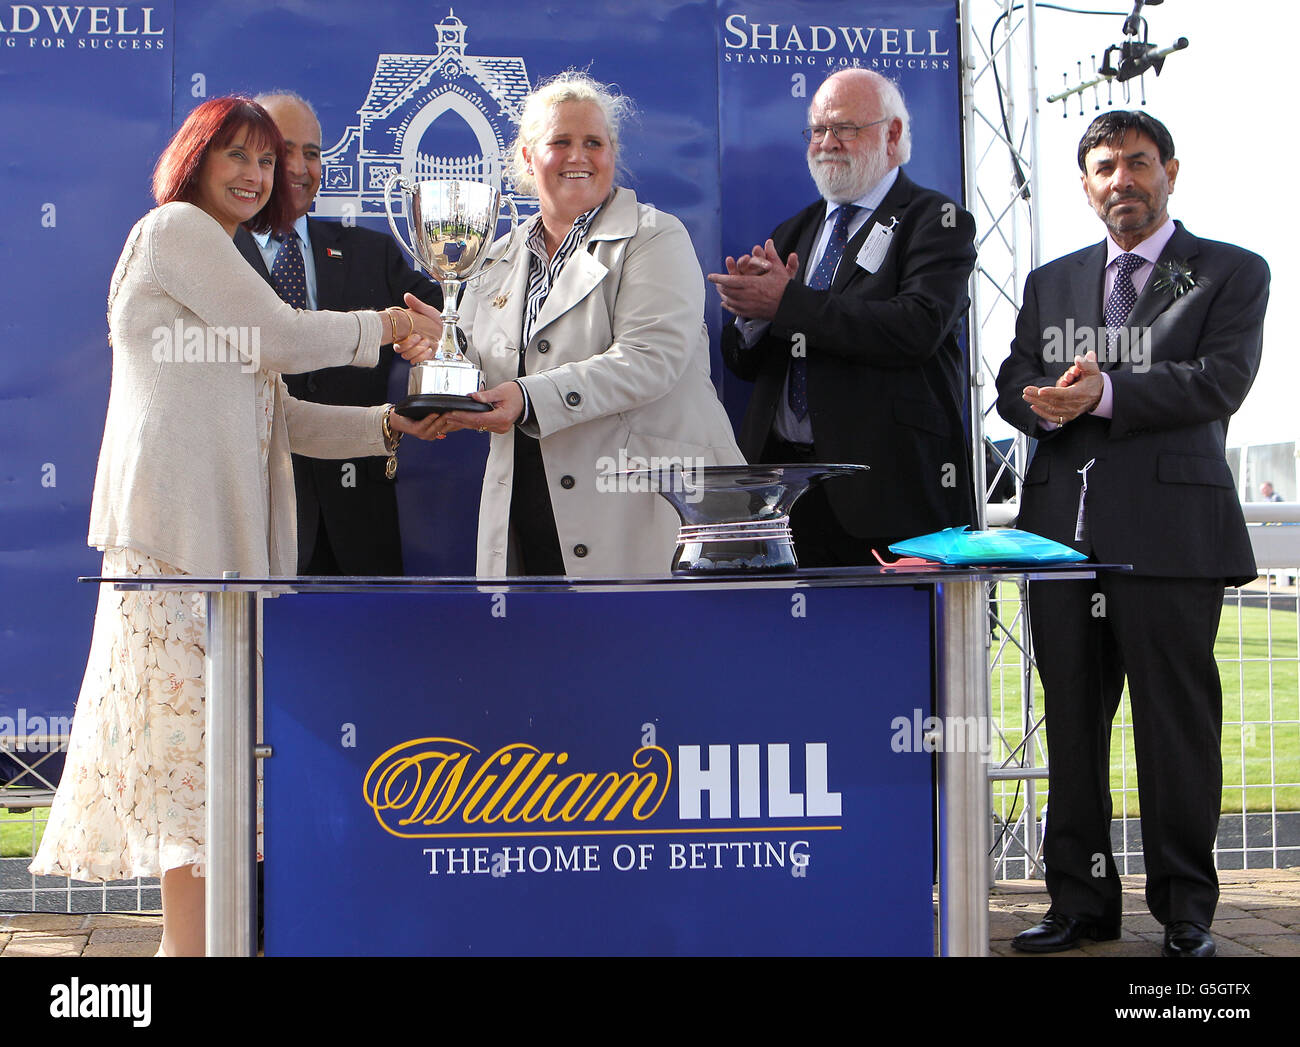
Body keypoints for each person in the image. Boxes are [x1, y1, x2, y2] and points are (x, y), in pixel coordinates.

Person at [29, 97, 442, 956]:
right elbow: (284, 338)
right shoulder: (176, 230)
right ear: (194, 158)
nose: (259, 176)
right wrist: (390, 327)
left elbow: (275, 410)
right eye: (240, 157)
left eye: (270, 162)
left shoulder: (220, 252)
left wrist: (386, 427)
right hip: (177, 551)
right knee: (196, 779)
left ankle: (197, 952)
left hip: (219, 559)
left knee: (207, 779)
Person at [995, 111, 1269, 958]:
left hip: (1170, 535)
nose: (1123, 180)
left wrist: (1102, 393)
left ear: (1171, 171)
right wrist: (1039, 400)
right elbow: (1013, 378)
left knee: (1174, 725)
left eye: (1139, 163)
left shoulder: (1228, 272)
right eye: (1105, 166)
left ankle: (1187, 912)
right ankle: (1080, 904)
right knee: (1072, 723)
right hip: (1060, 540)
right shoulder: (1052, 281)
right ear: (1086, 184)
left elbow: (1218, 379)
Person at [418, 71, 743, 576]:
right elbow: (492, 378)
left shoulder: (656, 236)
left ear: (612, 153)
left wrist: (527, 398)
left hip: (644, 513)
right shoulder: (497, 256)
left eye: (594, 142)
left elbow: (650, 359)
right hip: (529, 512)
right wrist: (442, 347)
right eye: (561, 142)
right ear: (527, 157)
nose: (579, 156)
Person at [708, 69, 977, 566]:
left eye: (845, 129)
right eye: (817, 130)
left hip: (889, 493)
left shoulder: (937, 221)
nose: (826, 143)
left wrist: (785, 303)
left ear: (892, 134)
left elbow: (916, 328)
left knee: (894, 640)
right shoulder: (795, 230)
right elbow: (747, 366)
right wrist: (753, 316)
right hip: (783, 498)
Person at [234, 92, 442, 576]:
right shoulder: (215, 255)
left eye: (312, 152)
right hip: (251, 512)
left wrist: (431, 340)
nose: (302, 167)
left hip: (359, 516)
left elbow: (453, 320)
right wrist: (391, 327)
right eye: (285, 151)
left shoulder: (373, 253)